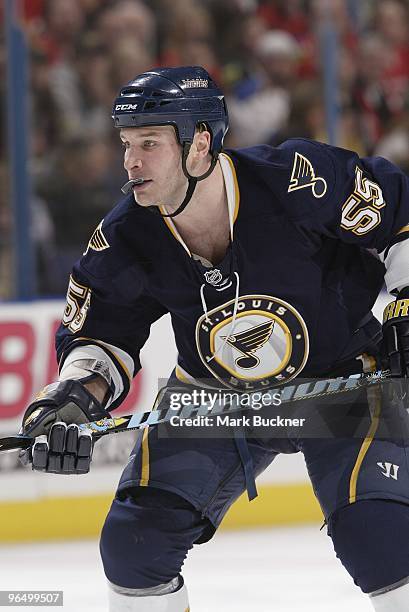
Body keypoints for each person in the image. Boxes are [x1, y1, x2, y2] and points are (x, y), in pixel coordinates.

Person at [20, 66, 409, 611]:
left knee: (382, 541)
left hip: (342, 385)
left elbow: (400, 219)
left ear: (200, 142)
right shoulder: (125, 236)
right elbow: (100, 339)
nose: (130, 161)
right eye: (127, 143)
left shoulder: (297, 179)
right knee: (135, 549)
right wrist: (71, 399)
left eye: (149, 143)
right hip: (213, 398)